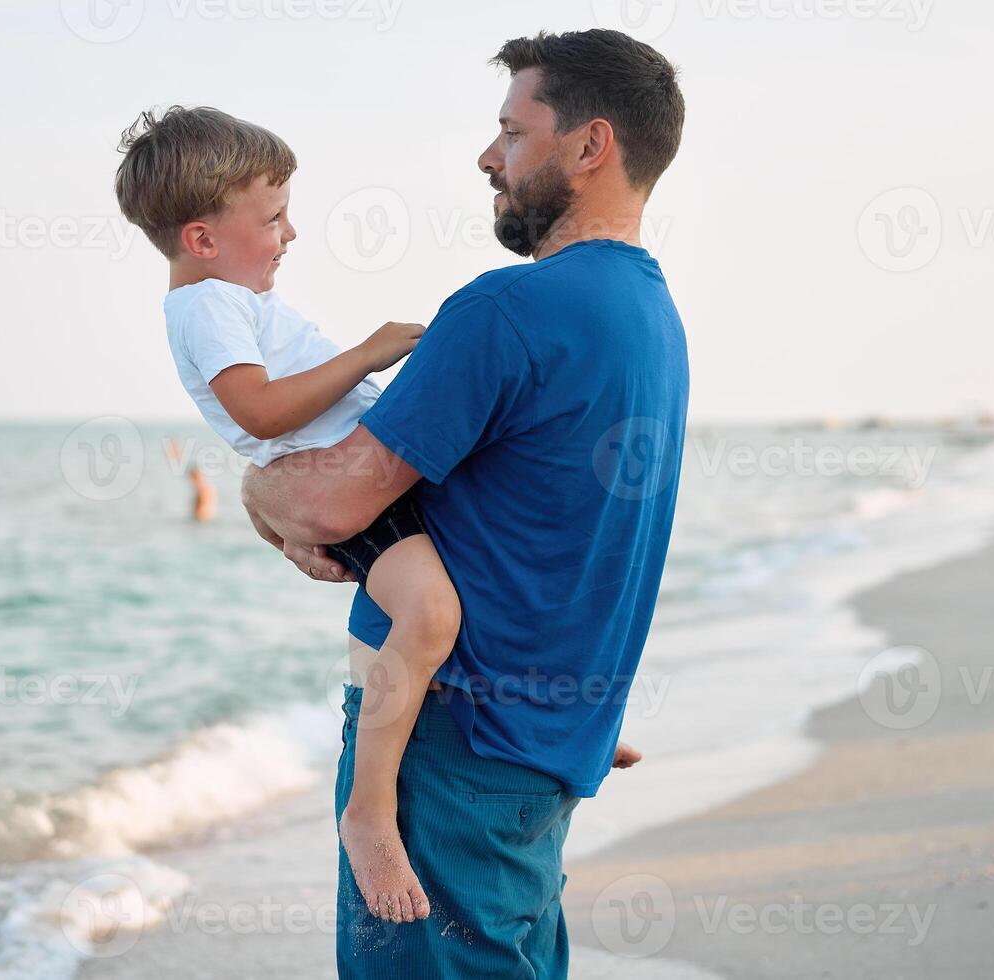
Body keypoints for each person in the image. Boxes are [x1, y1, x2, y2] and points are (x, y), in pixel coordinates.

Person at [241, 29, 687, 977]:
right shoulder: (652, 317)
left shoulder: (506, 310)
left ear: (589, 145)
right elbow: (579, 532)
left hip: (453, 749)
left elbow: (330, 506)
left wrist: (254, 485)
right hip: (547, 747)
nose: (488, 157)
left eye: (512, 131)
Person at [115, 106, 462, 923]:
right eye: (272, 218)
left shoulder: (229, 300)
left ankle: (557, 724)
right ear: (202, 238)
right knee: (433, 611)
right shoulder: (206, 305)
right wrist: (371, 352)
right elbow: (264, 414)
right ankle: (369, 812)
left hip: (373, 473)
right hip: (343, 488)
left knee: (488, 582)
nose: (290, 233)